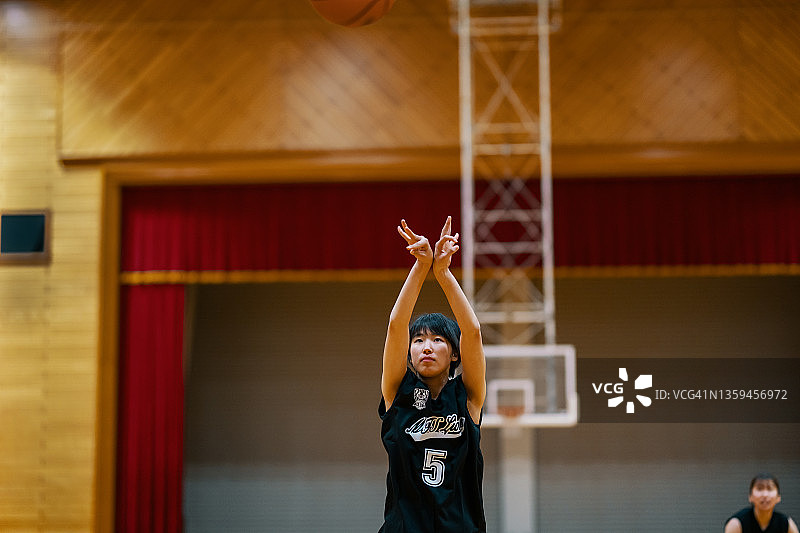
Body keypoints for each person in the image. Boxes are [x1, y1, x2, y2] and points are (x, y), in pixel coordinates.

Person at [379, 216, 487, 533]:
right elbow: (397, 324)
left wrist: (442, 273)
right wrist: (420, 267)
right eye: (418, 340)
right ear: (409, 352)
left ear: (455, 353)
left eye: (437, 340)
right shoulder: (398, 392)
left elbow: (474, 332)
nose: (426, 347)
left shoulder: (466, 397)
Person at [724, 473, 798, 533]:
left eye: (770, 489)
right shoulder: (736, 524)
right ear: (750, 497)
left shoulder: (785, 523)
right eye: (759, 488)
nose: (765, 494)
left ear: (778, 497)